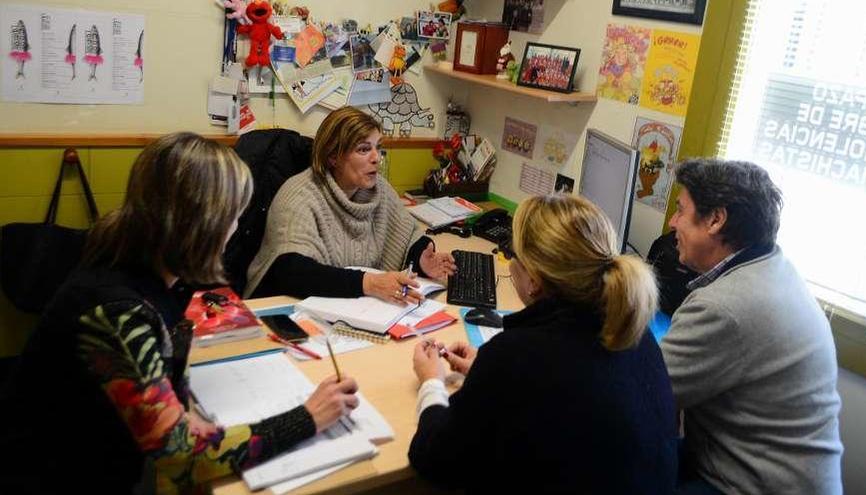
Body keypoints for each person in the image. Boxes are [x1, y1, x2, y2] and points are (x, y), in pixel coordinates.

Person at [0, 133, 360, 493]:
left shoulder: (142, 259)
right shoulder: (117, 309)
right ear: (202, 222)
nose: (236, 228)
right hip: (60, 473)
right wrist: (309, 417)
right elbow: (182, 458)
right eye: (234, 215)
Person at [409, 194, 678, 493]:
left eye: (512, 253)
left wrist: (430, 382)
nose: (509, 263)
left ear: (534, 280)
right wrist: (487, 376)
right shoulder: (635, 334)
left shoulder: (516, 356)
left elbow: (433, 459)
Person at [661, 159, 843, 494]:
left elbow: (644, 395)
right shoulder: (775, 266)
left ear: (716, 219)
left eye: (680, 211)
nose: (672, 223)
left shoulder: (723, 306)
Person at [245, 106, 456, 301]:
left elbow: (406, 234)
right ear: (333, 157)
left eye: (378, 148)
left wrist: (421, 258)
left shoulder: (377, 188)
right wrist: (369, 283)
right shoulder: (300, 194)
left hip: (354, 308)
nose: (376, 158)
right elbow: (293, 272)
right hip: (291, 308)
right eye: (364, 149)